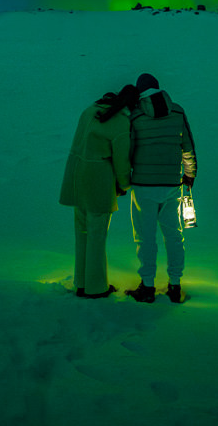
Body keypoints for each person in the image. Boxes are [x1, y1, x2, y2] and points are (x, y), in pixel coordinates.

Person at [59, 84, 139, 298]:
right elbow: (122, 162)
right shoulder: (121, 122)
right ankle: (96, 287)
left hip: (77, 178)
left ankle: (82, 283)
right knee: (96, 235)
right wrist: (125, 185)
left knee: (82, 233)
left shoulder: (90, 110)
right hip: (98, 182)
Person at [126, 73, 197, 304]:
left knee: (145, 238)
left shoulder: (135, 115)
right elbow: (187, 145)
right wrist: (189, 174)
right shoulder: (176, 111)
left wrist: (125, 177)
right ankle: (175, 285)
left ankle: (147, 286)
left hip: (143, 185)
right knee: (174, 236)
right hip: (171, 184)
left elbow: (128, 149)